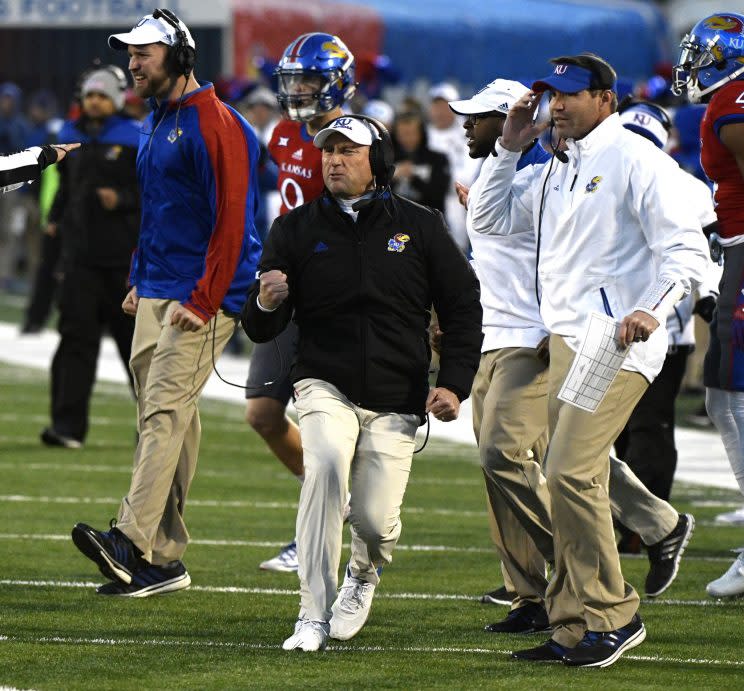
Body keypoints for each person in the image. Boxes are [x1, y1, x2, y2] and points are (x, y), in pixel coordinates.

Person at [447, 80, 701, 640]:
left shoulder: (607, 166)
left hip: (575, 340)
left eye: (480, 117)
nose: (467, 126)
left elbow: (687, 237)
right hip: (516, 337)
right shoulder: (531, 177)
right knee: (553, 464)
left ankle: (600, 601)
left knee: (529, 459)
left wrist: (653, 305)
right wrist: (507, 151)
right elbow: (488, 229)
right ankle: (554, 600)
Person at [242, 114, 482, 651]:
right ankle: (311, 613)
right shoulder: (295, 229)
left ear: (377, 162)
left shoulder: (419, 226)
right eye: (329, 151)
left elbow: (463, 306)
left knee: (374, 524)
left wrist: (456, 384)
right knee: (323, 465)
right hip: (324, 383)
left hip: (398, 396)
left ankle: (363, 575)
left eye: (348, 151)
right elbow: (261, 326)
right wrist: (263, 301)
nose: (333, 159)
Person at [70, 9, 262, 597]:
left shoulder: (217, 124)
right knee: (165, 418)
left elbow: (233, 222)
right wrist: (139, 276)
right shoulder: (156, 120)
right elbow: (158, 211)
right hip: (157, 288)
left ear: (178, 55)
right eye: (129, 55)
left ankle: (129, 539)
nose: (132, 64)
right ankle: (163, 560)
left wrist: (204, 300)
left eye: (142, 54)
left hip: (201, 296)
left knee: (160, 412)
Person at [245, 32, 357, 573]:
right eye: (294, 80)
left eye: (310, 79)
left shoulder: (356, 139)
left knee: (326, 423)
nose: (300, 90)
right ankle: (334, 505)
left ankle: (321, 526)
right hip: (285, 289)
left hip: (334, 299)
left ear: (336, 81)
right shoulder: (286, 133)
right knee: (264, 414)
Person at [613, 99, 720, 550]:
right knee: (621, 431)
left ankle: (648, 526)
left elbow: (705, 253)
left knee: (648, 427)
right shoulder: (684, 185)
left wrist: (708, 292)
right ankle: (638, 521)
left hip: (660, 327)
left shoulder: (686, 189)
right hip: (612, 324)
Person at [673, 12, 744, 597]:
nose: (692, 65)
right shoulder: (727, 102)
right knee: (724, 392)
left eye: (702, 53)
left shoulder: (733, 107)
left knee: (728, 390)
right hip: (737, 253)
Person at [38, 67, 141, 449]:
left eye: (103, 95)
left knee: (137, 350)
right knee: (74, 342)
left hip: (124, 263)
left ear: (115, 99)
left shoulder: (135, 137)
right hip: (80, 259)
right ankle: (66, 428)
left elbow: (152, 193)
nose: (95, 101)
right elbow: (66, 187)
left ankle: (154, 429)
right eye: (90, 95)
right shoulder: (69, 136)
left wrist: (123, 200)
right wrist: (54, 219)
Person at [427, 82, 480, 252]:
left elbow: (468, 174)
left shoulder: (467, 133)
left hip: (456, 198)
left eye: (445, 106)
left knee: (456, 247)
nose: (440, 111)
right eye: (436, 106)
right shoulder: (424, 134)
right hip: (427, 197)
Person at [390, 106, 450, 213]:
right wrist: (392, 178)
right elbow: (378, 196)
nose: (406, 138)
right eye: (402, 134)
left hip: (429, 222)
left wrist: (413, 177)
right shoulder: (388, 160)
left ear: (421, 133)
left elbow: (438, 196)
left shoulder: (437, 159)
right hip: (395, 222)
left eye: (411, 133)